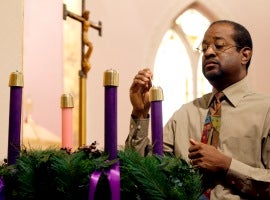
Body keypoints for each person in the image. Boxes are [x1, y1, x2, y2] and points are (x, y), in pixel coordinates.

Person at [125, 20, 270, 199]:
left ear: (245, 55)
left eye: (219, 45)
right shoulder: (185, 114)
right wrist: (140, 114)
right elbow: (144, 173)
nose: (208, 52)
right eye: (204, 48)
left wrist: (226, 165)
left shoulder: (266, 111)